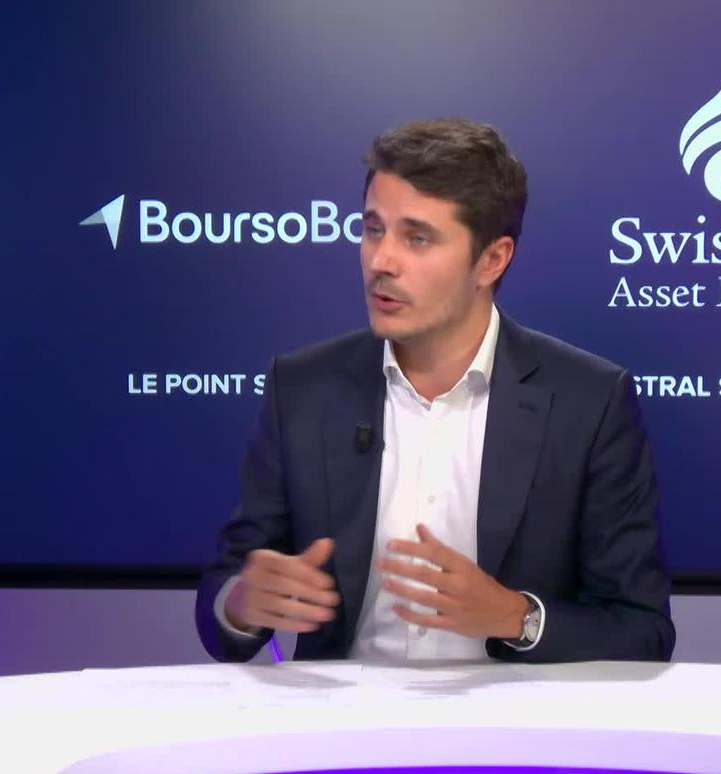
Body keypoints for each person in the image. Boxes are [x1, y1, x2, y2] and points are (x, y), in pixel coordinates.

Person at [195, 118, 674, 664]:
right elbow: (223, 608)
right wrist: (242, 603)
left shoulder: (588, 402)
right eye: (373, 229)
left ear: (491, 260)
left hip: (515, 715)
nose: (381, 261)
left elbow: (643, 632)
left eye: (416, 238)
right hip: (341, 713)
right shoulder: (305, 389)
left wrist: (516, 616)